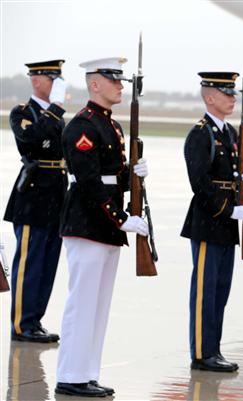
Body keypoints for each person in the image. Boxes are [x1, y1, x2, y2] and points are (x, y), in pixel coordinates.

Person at [55, 57, 149, 397]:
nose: (120, 86)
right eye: (114, 80)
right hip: (87, 223)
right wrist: (123, 220)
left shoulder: (112, 126)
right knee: (83, 303)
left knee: (99, 304)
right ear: (95, 84)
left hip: (106, 226)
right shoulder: (82, 126)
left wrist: (133, 177)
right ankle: (70, 375)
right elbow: (90, 183)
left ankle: (87, 372)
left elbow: (111, 179)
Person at [181, 71, 243, 373]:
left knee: (220, 290)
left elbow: (229, 176)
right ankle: (201, 352)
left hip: (226, 223)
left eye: (234, 93)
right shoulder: (201, 133)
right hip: (210, 220)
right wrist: (229, 210)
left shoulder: (230, 133)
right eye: (226, 93)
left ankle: (214, 349)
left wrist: (242, 187)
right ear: (210, 96)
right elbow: (200, 183)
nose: (233, 98)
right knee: (205, 291)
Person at [4, 60, 67, 343]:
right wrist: (54, 110)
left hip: (56, 196)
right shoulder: (23, 113)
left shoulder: (57, 117)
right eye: (52, 78)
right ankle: (21, 325)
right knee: (29, 264)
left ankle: (36, 320)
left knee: (48, 263)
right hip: (33, 197)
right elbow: (30, 140)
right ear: (36, 81)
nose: (57, 84)